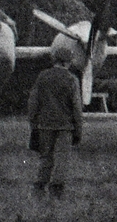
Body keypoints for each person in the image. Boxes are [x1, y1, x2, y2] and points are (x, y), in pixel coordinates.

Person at [26, 42, 83, 195]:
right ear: (67, 62)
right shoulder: (72, 80)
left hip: (44, 124)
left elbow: (33, 101)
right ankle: (56, 188)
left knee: (46, 157)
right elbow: (77, 106)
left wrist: (33, 122)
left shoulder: (42, 76)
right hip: (65, 126)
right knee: (62, 158)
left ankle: (39, 186)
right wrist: (79, 128)